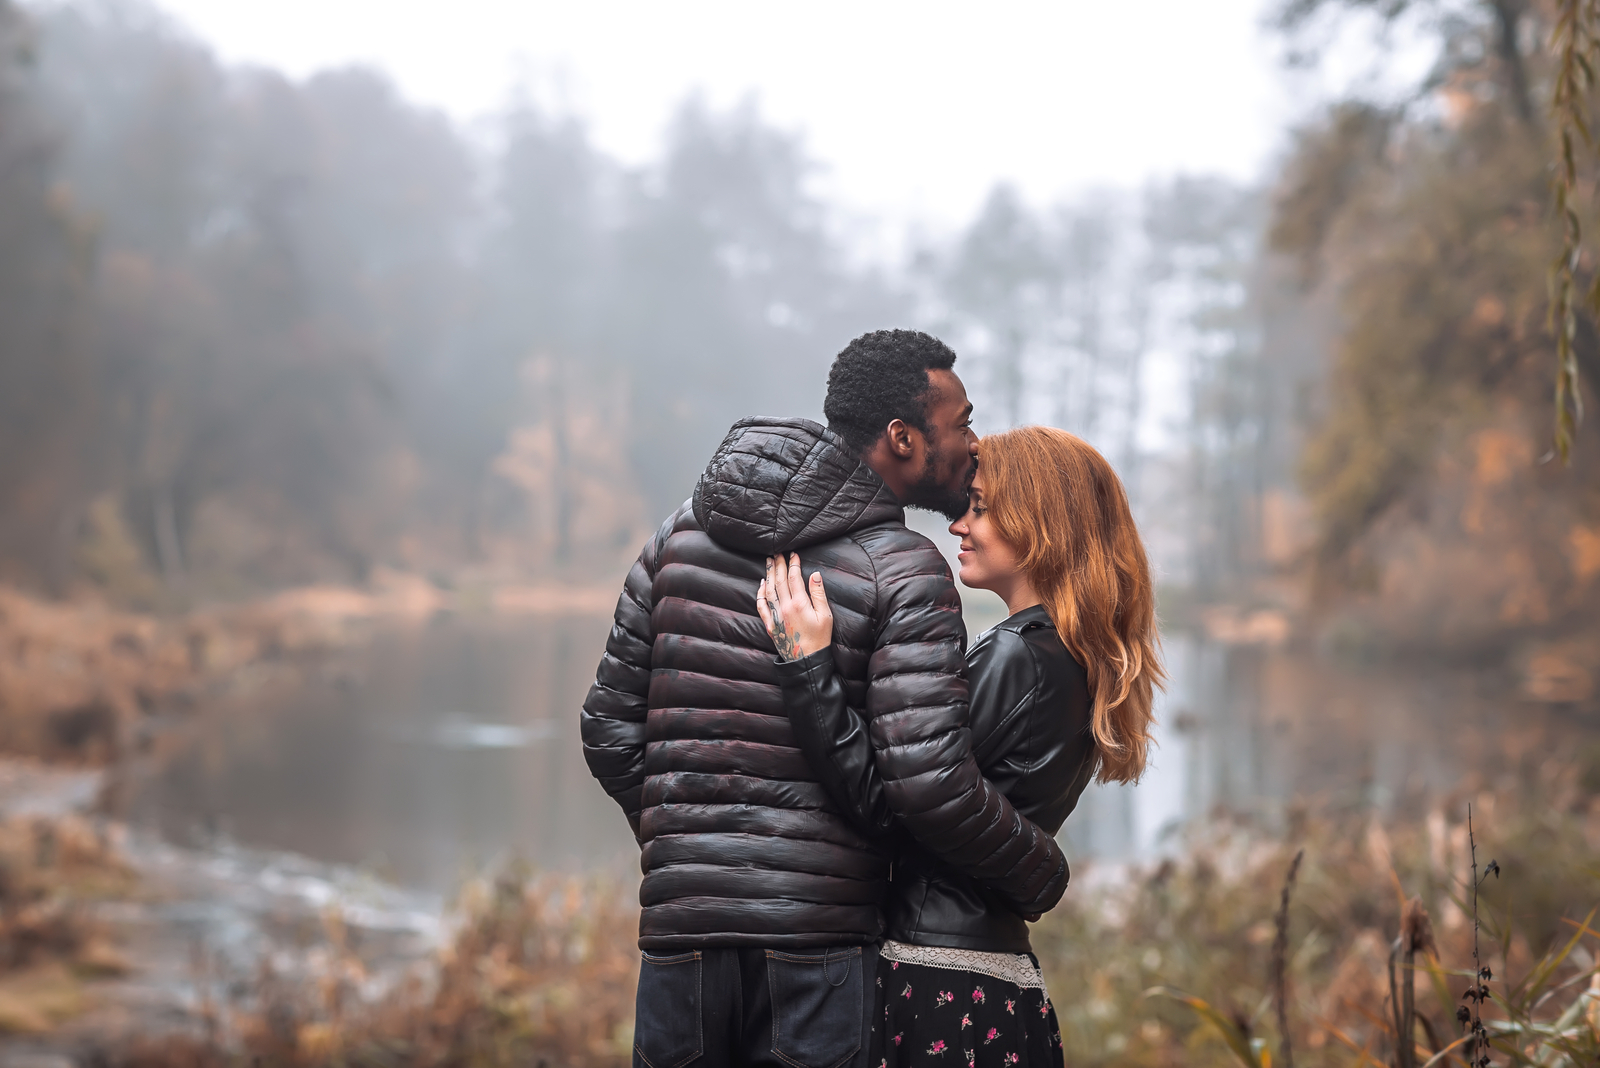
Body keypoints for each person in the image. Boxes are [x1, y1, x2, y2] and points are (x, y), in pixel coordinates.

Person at [581, 330, 1071, 1068]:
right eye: (961, 422)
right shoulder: (905, 571)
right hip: (820, 947)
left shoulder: (678, 536)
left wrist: (691, 848)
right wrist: (1040, 869)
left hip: (682, 938)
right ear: (903, 438)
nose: (974, 444)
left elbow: (606, 731)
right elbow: (920, 787)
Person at [757, 425, 1163, 1068]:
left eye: (979, 506)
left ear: (1040, 522)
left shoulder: (1018, 656)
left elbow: (893, 799)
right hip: (993, 977)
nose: (958, 526)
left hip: (939, 983)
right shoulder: (1071, 658)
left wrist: (807, 666)